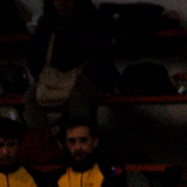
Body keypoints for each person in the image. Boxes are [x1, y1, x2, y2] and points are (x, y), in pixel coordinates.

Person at [22, 0, 117, 146]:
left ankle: (78, 144)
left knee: (79, 97)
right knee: (29, 97)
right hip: (54, 77)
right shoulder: (47, 23)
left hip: (84, 76)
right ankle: (45, 145)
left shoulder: (91, 21)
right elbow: (33, 54)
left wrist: (90, 76)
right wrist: (42, 75)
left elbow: (102, 56)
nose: (62, 3)